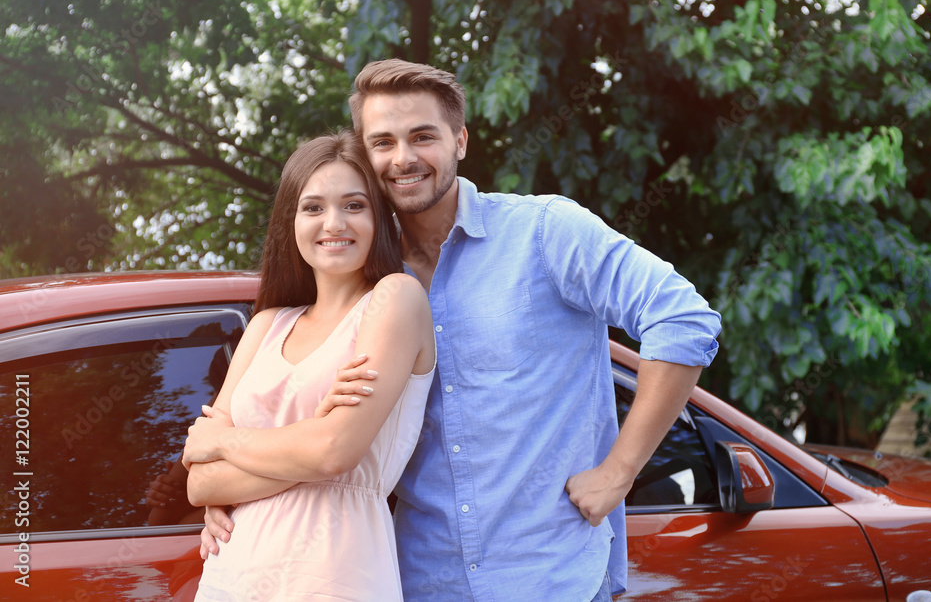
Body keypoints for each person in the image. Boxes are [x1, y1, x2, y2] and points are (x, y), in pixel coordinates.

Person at [203, 60, 722, 601]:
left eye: (422, 136)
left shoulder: (543, 233)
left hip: (550, 578)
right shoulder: (367, 289)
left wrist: (621, 470)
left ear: (460, 140)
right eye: (382, 142)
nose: (403, 158)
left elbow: (683, 319)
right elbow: (312, 427)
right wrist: (229, 485)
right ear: (364, 154)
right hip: (423, 581)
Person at [182, 130, 436, 601]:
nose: (334, 223)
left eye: (355, 205)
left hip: (335, 572)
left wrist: (226, 441)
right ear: (290, 221)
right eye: (313, 207)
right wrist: (312, 438)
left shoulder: (395, 299)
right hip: (233, 575)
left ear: (379, 218)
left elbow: (334, 454)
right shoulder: (266, 325)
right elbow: (200, 480)